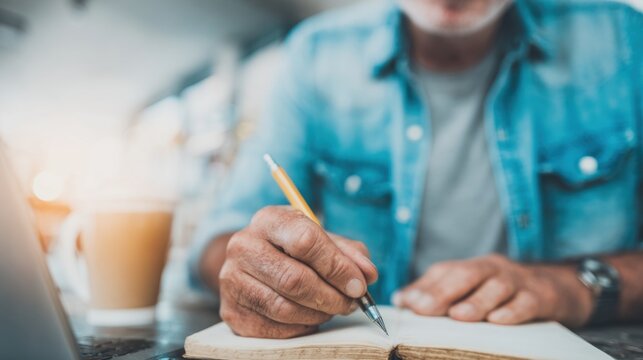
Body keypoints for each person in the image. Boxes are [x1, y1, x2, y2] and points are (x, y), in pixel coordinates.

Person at [189, 0, 643, 339]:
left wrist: (577, 285)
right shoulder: (315, 56)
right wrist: (259, 270)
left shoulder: (626, 42)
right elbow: (221, 238)